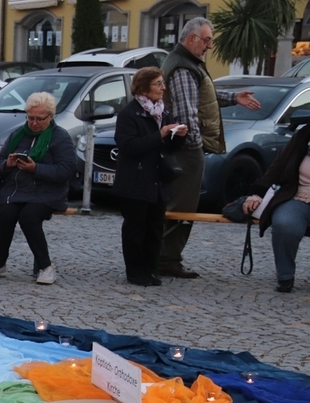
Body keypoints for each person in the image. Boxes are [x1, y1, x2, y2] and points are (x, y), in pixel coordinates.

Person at [159, 16, 260, 279]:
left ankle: (165, 257)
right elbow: (187, 114)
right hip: (185, 151)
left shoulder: (186, 63)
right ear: (192, 39)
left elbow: (202, 97)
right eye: (207, 40)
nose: (210, 46)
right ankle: (166, 259)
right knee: (181, 206)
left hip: (183, 149)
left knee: (180, 204)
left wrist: (233, 97)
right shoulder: (183, 67)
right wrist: (195, 146)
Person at [0, 92, 74, 285]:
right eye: (30, 118)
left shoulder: (60, 137)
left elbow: (66, 170)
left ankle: (46, 266)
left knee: (29, 217)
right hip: (16, 191)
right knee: (6, 215)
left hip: (47, 193)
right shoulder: (18, 134)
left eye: (39, 119)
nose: (34, 123)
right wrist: (7, 164)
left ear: (50, 117)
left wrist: (36, 169)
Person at [112, 67, 188, 287]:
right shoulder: (129, 113)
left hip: (158, 180)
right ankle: (135, 272)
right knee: (136, 229)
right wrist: (159, 134)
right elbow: (128, 146)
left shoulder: (163, 112)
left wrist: (179, 136)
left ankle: (150, 269)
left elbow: (169, 148)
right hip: (135, 181)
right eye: (158, 83)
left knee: (155, 228)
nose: (163, 88)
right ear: (143, 88)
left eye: (163, 83)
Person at [241, 120, 310, 293]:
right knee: (285, 223)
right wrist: (257, 193)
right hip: (298, 196)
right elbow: (278, 166)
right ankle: (285, 276)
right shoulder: (304, 135)